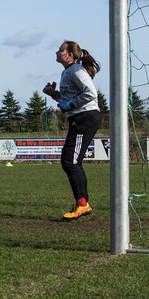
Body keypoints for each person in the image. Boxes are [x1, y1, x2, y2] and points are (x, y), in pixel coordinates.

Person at [43, 40, 101, 220]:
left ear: (69, 55)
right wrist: (54, 94)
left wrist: (70, 104)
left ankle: (83, 205)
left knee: (70, 161)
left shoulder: (76, 70)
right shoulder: (67, 71)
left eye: (60, 50)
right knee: (71, 161)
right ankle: (82, 204)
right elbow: (68, 99)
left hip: (86, 117)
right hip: (80, 118)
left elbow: (91, 93)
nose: (57, 52)